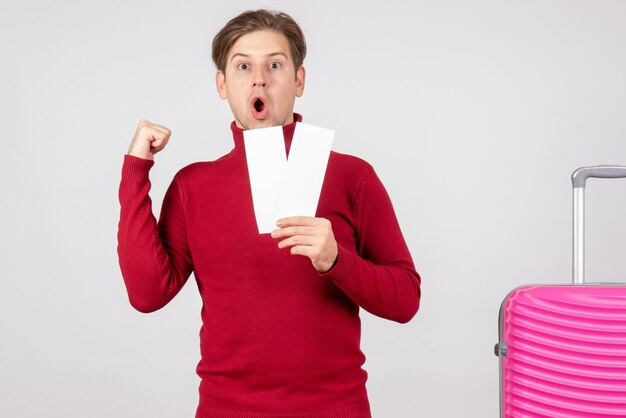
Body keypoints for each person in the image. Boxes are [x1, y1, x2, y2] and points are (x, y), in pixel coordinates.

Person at [117, 9, 420, 418]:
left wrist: (336, 261)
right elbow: (147, 294)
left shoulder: (353, 176)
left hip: (336, 408)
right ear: (223, 84)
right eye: (243, 66)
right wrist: (136, 169)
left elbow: (406, 300)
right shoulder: (194, 186)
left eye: (275, 65)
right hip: (226, 409)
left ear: (299, 80)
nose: (259, 78)